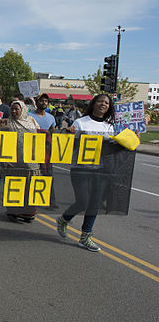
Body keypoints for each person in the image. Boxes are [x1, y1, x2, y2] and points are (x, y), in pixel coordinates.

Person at [57, 94, 114, 252]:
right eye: (100, 101)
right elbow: (68, 145)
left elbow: (116, 147)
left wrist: (133, 137)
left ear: (109, 107)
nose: (103, 104)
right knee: (83, 201)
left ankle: (85, 236)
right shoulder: (81, 122)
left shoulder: (110, 126)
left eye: (106, 103)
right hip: (81, 169)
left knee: (95, 203)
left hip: (101, 170)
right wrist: (69, 134)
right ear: (94, 103)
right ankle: (64, 219)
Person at [6, 100, 40, 222]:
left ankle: (28, 212)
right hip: (14, 162)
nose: (14, 111)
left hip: (31, 162)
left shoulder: (31, 121)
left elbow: (40, 136)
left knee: (30, 188)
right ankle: (13, 211)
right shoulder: (7, 123)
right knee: (14, 187)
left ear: (23, 110)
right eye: (12, 109)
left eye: (17, 109)